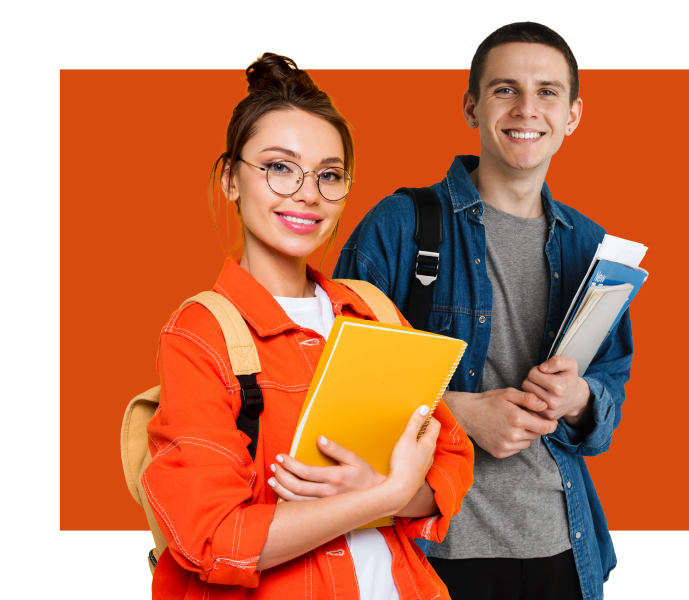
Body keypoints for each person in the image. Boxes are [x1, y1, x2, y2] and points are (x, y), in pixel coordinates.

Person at [144, 52, 473, 600]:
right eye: (279, 167)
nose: (307, 193)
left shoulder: (373, 310)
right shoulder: (200, 333)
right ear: (230, 179)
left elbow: (450, 463)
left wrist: (387, 487)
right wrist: (383, 495)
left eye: (329, 175)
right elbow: (213, 539)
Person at [333, 22, 629, 599]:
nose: (527, 108)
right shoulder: (400, 225)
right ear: (472, 106)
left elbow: (608, 394)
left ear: (572, 115)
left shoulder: (590, 245)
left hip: (563, 546)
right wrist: (459, 413)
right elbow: (329, 380)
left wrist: (579, 399)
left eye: (547, 92)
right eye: (505, 89)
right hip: (433, 548)